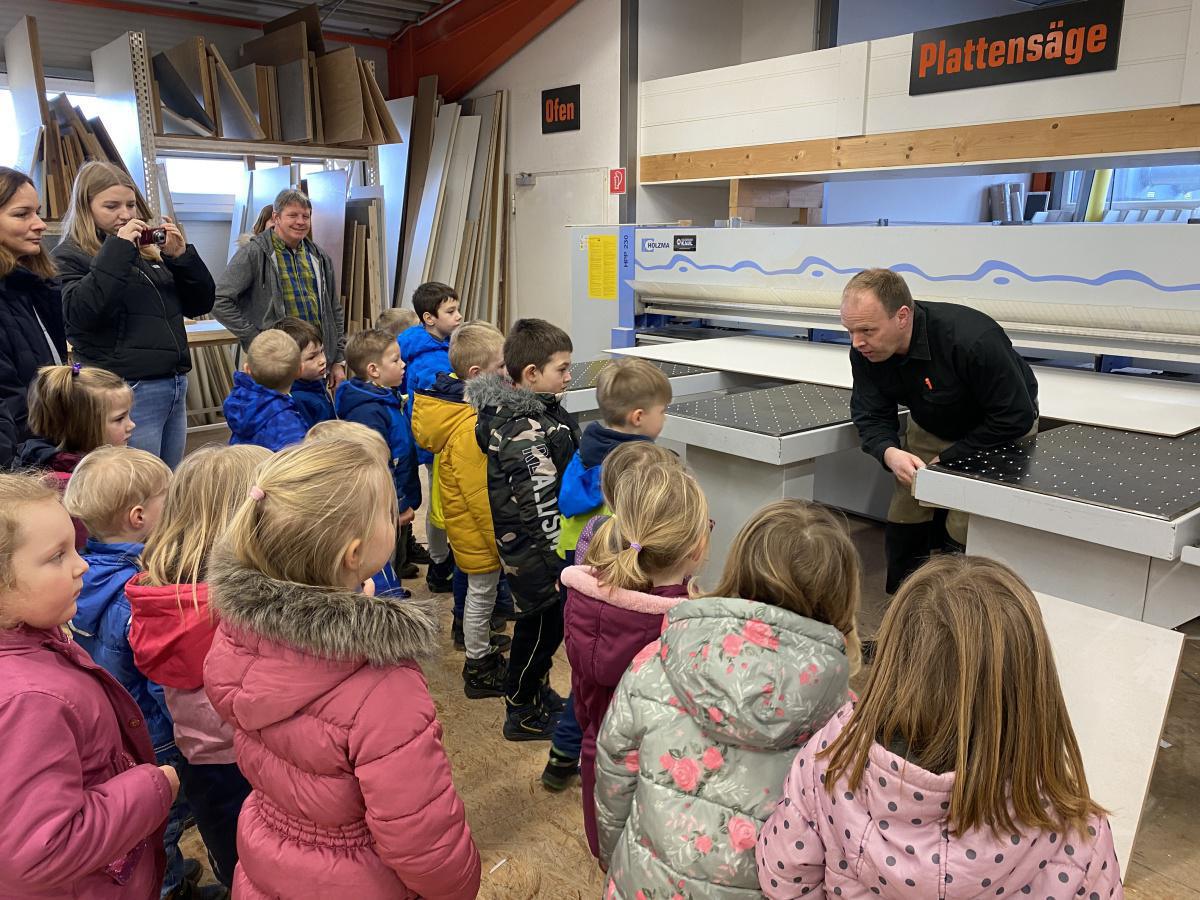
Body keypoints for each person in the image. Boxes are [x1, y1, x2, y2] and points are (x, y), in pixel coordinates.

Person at [204, 440, 481, 898]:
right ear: (354, 554)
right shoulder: (384, 686)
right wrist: (459, 886)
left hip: (267, 856)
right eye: (389, 509)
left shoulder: (239, 632)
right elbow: (419, 833)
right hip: (360, 879)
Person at [757, 555, 1124, 900]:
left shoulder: (831, 759)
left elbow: (783, 876)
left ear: (893, 660)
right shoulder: (1077, 833)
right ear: (1034, 684)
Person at [594, 499, 860, 898]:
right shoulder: (845, 720)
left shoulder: (654, 664)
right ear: (843, 597)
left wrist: (614, 861)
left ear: (739, 565)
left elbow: (614, 779)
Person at [0, 472, 178, 899]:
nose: (82, 564)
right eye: (57, 556)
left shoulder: (35, 641)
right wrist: (153, 787)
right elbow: (40, 849)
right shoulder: (29, 700)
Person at [61, 447, 211, 900]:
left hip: (120, 724)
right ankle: (167, 888)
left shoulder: (83, 570)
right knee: (162, 816)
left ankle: (172, 874)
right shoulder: (140, 590)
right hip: (158, 730)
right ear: (140, 516)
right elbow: (164, 678)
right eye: (171, 498)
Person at [841, 268, 1039, 594]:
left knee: (962, 524)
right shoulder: (866, 350)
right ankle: (903, 608)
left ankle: (955, 610)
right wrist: (889, 453)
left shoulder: (972, 339)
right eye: (849, 331)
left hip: (996, 433)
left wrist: (949, 459)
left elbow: (1014, 417)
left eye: (866, 330)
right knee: (906, 511)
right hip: (933, 422)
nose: (857, 341)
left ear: (902, 317)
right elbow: (870, 413)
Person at [126, 445, 267, 891]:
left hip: (198, 755)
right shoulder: (237, 600)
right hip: (254, 751)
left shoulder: (158, 592)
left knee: (228, 847)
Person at [562, 449, 703, 852]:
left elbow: (584, 701)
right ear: (695, 548)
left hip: (598, 755)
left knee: (612, 855)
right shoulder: (688, 630)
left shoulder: (582, 602)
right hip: (663, 779)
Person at [545, 357, 673, 791]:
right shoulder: (640, 463)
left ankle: (561, 756)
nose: (664, 418)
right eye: (662, 411)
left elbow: (567, 502)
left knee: (584, 673)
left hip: (578, 575)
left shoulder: (586, 447)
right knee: (618, 677)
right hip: (621, 576)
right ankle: (604, 767)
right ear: (639, 418)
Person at [54, 161, 215, 468]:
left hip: (173, 384)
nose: (125, 214)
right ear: (86, 208)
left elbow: (199, 303)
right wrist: (117, 250)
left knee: (165, 483)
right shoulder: (70, 256)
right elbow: (81, 315)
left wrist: (182, 259)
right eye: (111, 206)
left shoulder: (147, 255)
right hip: (127, 390)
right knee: (134, 484)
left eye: (130, 205)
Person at [471, 318, 580, 741]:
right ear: (531, 375)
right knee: (540, 630)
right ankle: (520, 709)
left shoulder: (537, 411)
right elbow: (539, 504)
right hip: (537, 553)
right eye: (563, 369)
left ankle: (534, 691)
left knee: (542, 630)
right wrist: (559, 562)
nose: (569, 376)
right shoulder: (524, 430)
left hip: (538, 548)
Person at [411, 322, 514, 698]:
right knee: (481, 593)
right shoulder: (471, 425)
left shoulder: (458, 409)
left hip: (467, 525)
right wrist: (502, 540)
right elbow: (480, 493)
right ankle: (478, 666)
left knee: (478, 592)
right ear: (476, 374)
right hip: (477, 528)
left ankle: (479, 645)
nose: (506, 372)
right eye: (500, 366)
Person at [213, 189, 347, 388]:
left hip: (313, 367)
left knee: (316, 416)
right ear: (276, 217)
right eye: (292, 215)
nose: (300, 222)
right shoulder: (254, 253)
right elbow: (219, 300)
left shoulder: (318, 257)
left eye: (306, 216)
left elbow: (333, 309)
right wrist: (255, 338)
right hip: (277, 364)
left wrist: (338, 359)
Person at [335, 329, 419, 577]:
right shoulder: (368, 411)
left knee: (396, 544)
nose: (403, 364)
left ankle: (398, 568)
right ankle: (389, 593)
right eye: (395, 360)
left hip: (398, 491)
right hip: (386, 500)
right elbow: (379, 464)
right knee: (382, 556)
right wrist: (399, 505)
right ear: (374, 370)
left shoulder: (385, 394)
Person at [0, 166, 67, 467]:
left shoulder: (32, 285)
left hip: (48, 444)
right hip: (22, 458)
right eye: (21, 214)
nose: (40, 224)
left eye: (37, 212)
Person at [400, 282, 464, 592]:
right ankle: (440, 564)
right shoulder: (427, 361)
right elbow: (448, 395)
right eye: (451, 311)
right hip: (437, 442)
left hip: (449, 438)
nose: (459, 316)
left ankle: (443, 556)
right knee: (439, 506)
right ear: (428, 318)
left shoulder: (444, 343)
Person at [304, 419, 411, 599]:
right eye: (383, 513)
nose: (392, 518)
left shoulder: (369, 555)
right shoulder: (368, 580)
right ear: (354, 553)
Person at [17, 364, 135, 494]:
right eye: (119, 419)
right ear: (80, 426)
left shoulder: (108, 462)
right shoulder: (69, 488)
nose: (131, 425)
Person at [222, 329, 307, 451]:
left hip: (241, 466)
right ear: (300, 370)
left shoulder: (238, 402)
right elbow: (297, 462)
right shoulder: (288, 422)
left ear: (246, 369)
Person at [275, 316, 334, 427]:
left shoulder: (316, 384)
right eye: (312, 357)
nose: (322, 360)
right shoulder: (296, 401)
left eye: (321, 351)